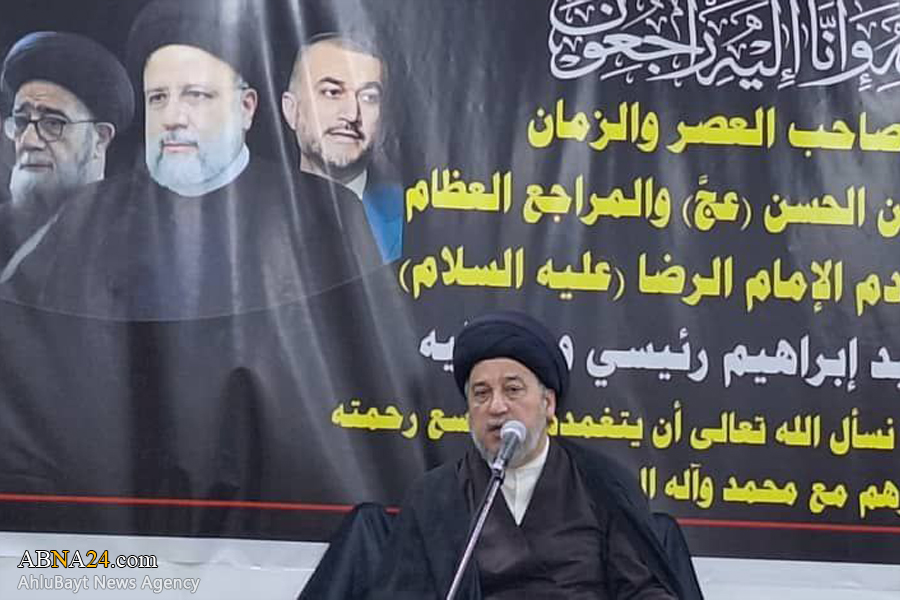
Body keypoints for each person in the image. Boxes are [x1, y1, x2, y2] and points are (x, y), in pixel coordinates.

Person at [0, 0, 381, 319]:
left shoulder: (326, 212)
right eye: (158, 98)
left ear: (246, 108)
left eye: (196, 95)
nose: (172, 117)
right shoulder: (89, 213)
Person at [368, 311, 687, 599]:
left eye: (512, 390)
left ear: (548, 403)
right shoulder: (433, 497)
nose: (496, 407)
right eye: (481, 394)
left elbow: (642, 589)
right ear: (468, 412)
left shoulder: (604, 484)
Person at [0, 31, 133, 262]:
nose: (28, 141)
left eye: (53, 123)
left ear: (100, 139)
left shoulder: (133, 238)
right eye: (21, 122)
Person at [282, 32, 403, 263]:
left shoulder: (415, 218)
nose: (351, 114)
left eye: (368, 97)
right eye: (332, 92)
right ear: (291, 110)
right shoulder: (245, 215)